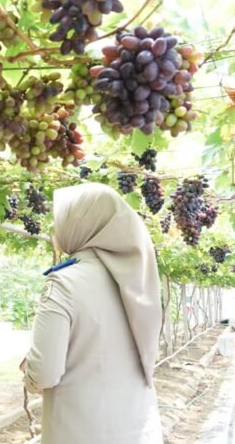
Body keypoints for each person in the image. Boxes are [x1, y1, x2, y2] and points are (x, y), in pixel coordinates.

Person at [21, 183, 163, 444]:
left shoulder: (64, 283)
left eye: (61, 219)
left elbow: (44, 373)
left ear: (80, 224)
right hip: (139, 430)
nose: (55, 228)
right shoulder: (139, 283)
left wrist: (28, 370)